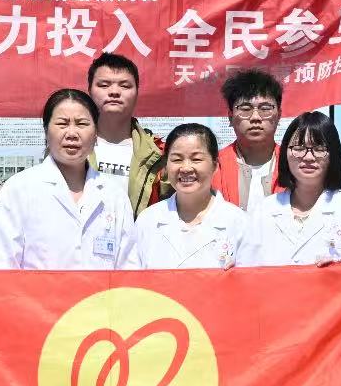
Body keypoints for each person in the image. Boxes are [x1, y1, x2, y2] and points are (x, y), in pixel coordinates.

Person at [0, 89, 133, 269]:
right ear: (46, 131)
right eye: (62, 124)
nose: (72, 133)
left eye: (82, 124)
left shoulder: (114, 194)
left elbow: (128, 268)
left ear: (96, 133)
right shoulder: (19, 189)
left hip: (102, 289)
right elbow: (2, 266)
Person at [235, 110, 341, 266]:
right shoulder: (263, 212)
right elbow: (246, 270)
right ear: (285, 153)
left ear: (333, 154)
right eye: (298, 148)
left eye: (319, 148)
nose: (309, 157)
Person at [119, 124, 247, 269]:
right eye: (177, 159)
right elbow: (132, 278)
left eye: (196, 159)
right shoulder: (148, 220)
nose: (186, 168)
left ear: (215, 165)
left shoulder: (238, 222)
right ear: (166, 165)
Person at [87, 53, 168, 215]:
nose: (114, 91)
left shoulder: (159, 153)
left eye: (124, 86)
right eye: (104, 85)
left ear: (137, 92)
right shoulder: (72, 146)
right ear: (89, 91)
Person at [211, 70, 282, 208]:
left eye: (265, 108)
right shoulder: (213, 167)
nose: (255, 117)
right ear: (230, 117)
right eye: (245, 109)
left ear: (279, 115)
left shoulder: (294, 165)